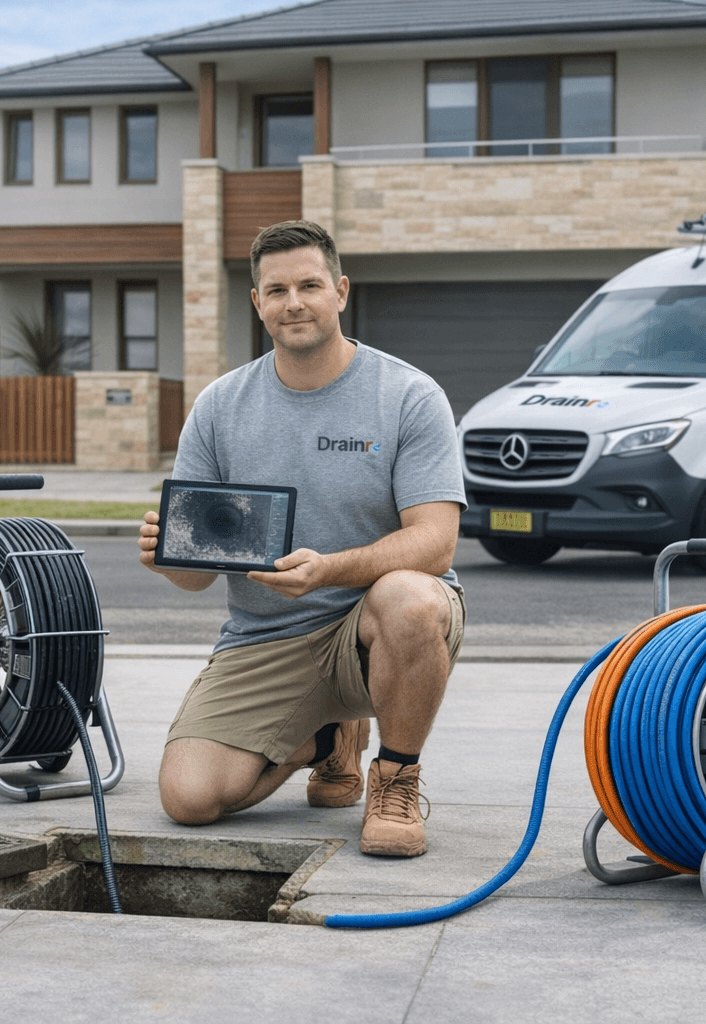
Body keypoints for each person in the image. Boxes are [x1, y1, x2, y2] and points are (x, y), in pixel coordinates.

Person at [137, 220, 466, 857]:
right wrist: (166, 556)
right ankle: (327, 740)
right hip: (266, 637)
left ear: (340, 291)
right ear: (257, 302)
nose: (294, 302)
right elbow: (196, 574)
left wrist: (329, 569)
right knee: (190, 799)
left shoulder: (408, 396)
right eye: (277, 289)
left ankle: (395, 777)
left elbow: (436, 544)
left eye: (310, 285)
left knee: (412, 597)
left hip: (372, 628)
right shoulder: (219, 406)